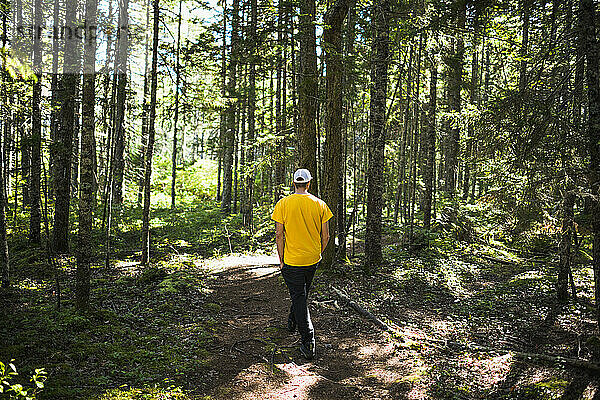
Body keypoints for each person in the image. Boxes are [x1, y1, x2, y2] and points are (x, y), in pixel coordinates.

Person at [271, 168, 333, 360]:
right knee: (300, 293)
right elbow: (326, 235)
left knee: (299, 295)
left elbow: (279, 234)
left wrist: (281, 259)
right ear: (308, 183)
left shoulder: (283, 204)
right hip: (312, 260)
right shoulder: (320, 204)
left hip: (292, 261)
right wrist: (318, 253)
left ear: (294, 183)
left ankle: (308, 340)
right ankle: (292, 320)